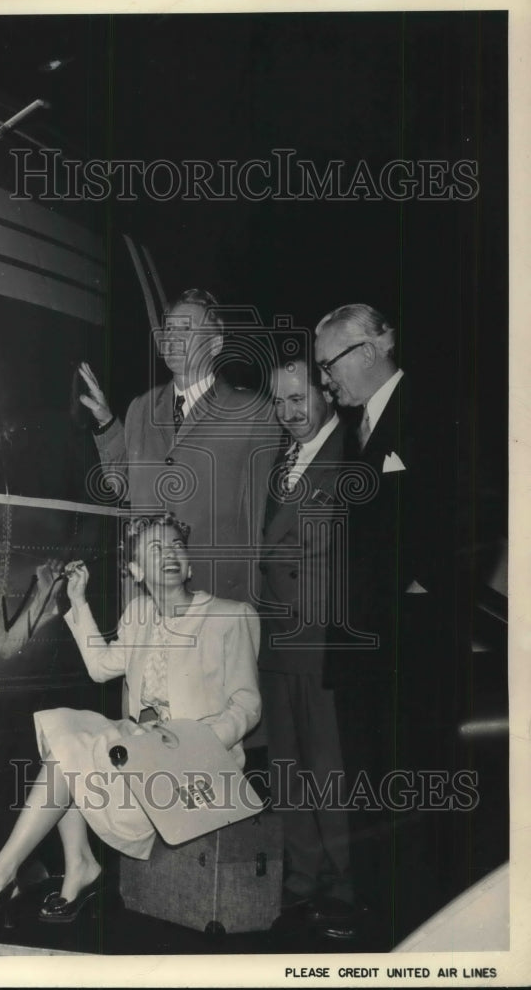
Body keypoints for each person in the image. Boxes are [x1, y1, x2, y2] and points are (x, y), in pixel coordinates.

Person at [0, 513, 261, 932]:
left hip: (197, 765)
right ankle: (55, 868)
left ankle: (16, 874)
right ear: (135, 571)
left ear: (188, 564)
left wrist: (190, 741)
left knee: (73, 752)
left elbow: (248, 704)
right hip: (138, 751)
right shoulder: (137, 614)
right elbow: (100, 668)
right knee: (65, 731)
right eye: (154, 549)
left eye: (175, 547)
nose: (168, 554)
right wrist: (78, 601)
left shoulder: (230, 615)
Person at [313, 303, 458, 939]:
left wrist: (422, 587)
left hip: (409, 645)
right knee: (369, 779)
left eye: (329, 366)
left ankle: (422, 920)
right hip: (358, 644)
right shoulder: (354, 430)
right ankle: (378, 911)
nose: (325, 383)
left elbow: (466, 514)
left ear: (370, 350)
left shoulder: (435, 411)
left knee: (415, 777)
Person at [78, 289, 277, 603]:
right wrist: (106, 422)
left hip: (214, 598)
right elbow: (124, 485)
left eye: (186, 329)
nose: (171, 338)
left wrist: (249, 603)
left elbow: (261, 517)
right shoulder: (141, 408)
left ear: (215, 343)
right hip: (147, 598)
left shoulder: (253, 412)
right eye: (168, 329)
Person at [257, 354, 355, 923]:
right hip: (279, 632)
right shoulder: (281, 459)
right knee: (287, 762)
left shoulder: (352, 452)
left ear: (326, 394)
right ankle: (302, 872)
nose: (289, 412)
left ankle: (344, 885)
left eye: (299, 399)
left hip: (322, 635)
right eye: (279, 401)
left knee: (330, 764)